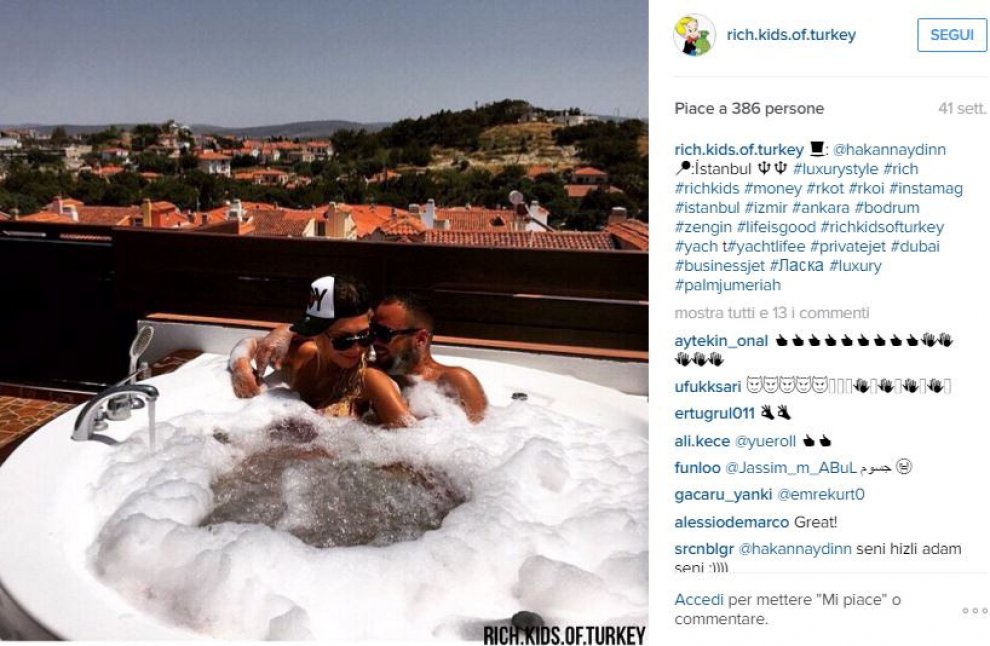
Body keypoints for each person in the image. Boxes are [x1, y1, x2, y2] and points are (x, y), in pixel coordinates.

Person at [241, 291, 488, 423]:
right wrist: (286, 331)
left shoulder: (454, 381)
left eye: (384, 334)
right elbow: (329, 334)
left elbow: (484, 443)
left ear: (421, 339)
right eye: (372, 332)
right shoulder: (362, 366)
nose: (373, 342)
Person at [228, 275, 413, 427]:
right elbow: (253, 343)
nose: (357, 348)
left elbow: (414, 441)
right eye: (343, 339)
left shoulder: (370, 379)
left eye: (365, 335)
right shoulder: (304, 356)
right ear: (316, 335)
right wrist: (240, 366)